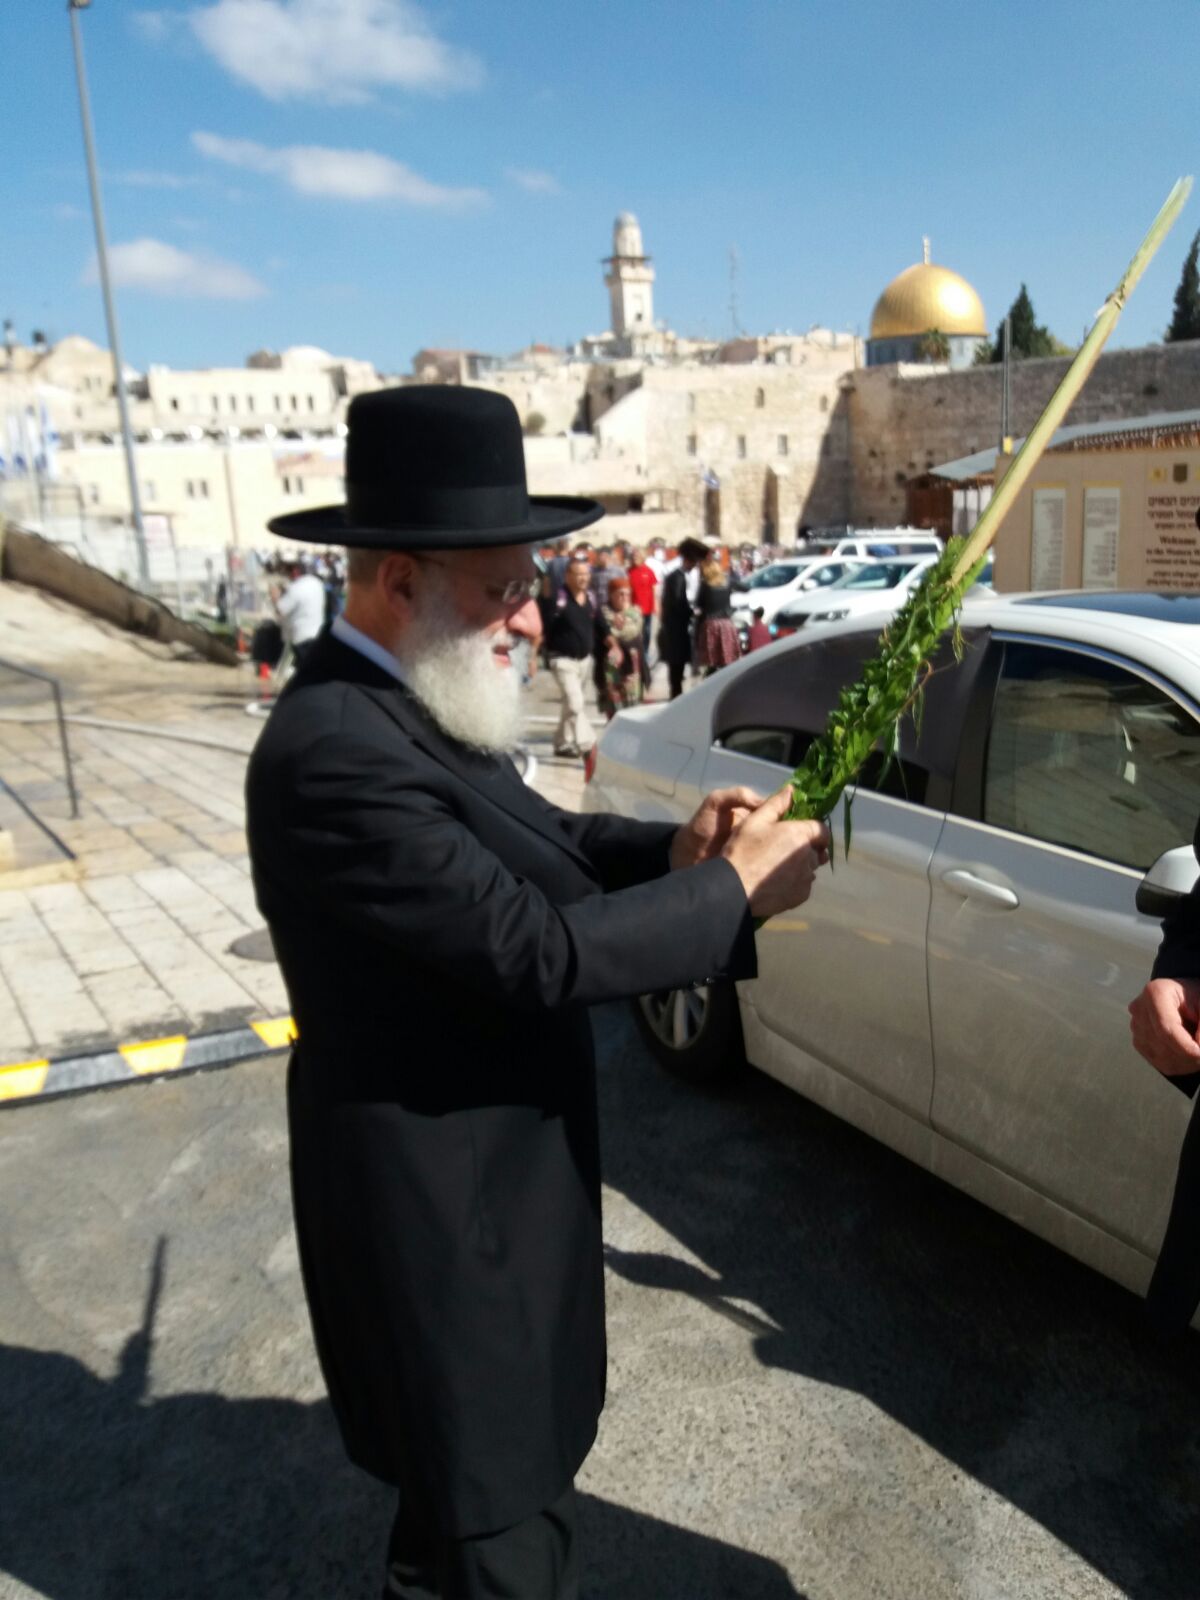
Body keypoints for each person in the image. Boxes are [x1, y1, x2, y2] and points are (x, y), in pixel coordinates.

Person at [245, 386, 830, 1600]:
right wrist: (731, 896)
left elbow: (537, 837)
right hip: (440, 1228)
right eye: (503, 586)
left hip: (494, 1203)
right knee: (492, 1539)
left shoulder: (408, 702)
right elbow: (533, 952)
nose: (532, 616)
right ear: (397, 580)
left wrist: (677, 852)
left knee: (489, 1507)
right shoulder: (334, 749)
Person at [545, 554, 598, 759]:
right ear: (568, 576)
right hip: (562, 659)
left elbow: (599, 624)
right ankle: (588, 744)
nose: (583, 578)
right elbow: (545, 625)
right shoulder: (559, 599)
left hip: (583, 660)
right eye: (579, 574)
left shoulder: (591, 598)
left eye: (586, 574)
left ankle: (562, 742)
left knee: (570, 703)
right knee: (576, 702)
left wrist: (612, 644)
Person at [658, 537, 707, 700]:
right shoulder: (677, 578)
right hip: (675, 631)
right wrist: (693, 613)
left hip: (676, 630)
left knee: (677, 669)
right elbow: (678, 604)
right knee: (676, 669)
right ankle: (675, 698)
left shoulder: (677, 577)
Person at [597, 575, 643, 718]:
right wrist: (611, 627)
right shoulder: (603, 612)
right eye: (620, 594)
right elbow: (601, 631)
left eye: (627, 593)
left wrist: (612, 629)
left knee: (632, 706)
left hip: (631, 666)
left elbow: (630, 631)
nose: (624, 597)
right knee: (612, 705)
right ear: (611, 595)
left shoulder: (635, 612)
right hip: (611, 668)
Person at [274, 559, 327, 668]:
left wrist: (275, 596)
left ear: (295, 571)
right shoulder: (316, 583)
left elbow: (281, 609)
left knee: (301, 669)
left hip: (301, 636)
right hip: (317, 632)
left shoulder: (296, 588)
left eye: (288, 571)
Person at [694, 556, 740, 676]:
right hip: (726, 624)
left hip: (711, 624)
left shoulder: (705, 585)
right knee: (727, 658)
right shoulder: (728, 581)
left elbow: (699, 604)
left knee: (712, 660)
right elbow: (745, 587)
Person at [626, 546, 658, 691]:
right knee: (634, 636)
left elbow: (654, 590)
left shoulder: (648, 571)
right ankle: (636, 661)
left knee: (646, 635)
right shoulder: (628, 572)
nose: (635, 558)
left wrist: (656, 606)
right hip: (633, 612)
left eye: (637, 555)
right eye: (633, 556)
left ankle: (644, 658)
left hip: (647, 610)